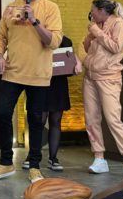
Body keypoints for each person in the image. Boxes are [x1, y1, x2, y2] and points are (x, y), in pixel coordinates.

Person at [0, 0, 62, 183]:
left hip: (38, 73)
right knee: (2, 113)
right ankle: (6, 163)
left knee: (36, 120)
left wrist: (34, 20)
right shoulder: (11, 8)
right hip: (12, 72)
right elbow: (0, 36)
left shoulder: (50, 8)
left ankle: (35, 166)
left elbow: (54, 41)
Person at [82, 0, 123, 179]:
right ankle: (99, 158)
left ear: (101, 11)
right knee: (91, 119)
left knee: (113, 119)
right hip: (90, 77)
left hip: (108, 78)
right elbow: (88, 48)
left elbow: (115, 47)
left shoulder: (118, 23)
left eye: (93, 11)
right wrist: (90, 35)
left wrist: (96, 32)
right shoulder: (96, 25)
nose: (91, 14)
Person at [21, 35, 81, 172]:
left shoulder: (65, 41)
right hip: (39, 84)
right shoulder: (35, 38)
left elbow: (69, 64)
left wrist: (75, 63)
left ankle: (53, 158)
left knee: (56, 120)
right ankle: (32, 156)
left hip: (58, 85)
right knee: (39, 121)